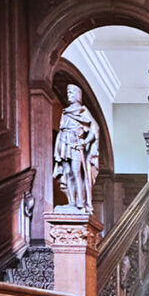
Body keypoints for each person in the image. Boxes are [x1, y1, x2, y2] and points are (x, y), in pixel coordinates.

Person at [54, 84, 100, 212]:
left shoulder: (83, 111)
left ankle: (81, 202)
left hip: (75, 143)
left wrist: (85, 141)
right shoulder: (65, 112)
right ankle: (72, 202)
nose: (69, 94)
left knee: (76, 171)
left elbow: (95, 128)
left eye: (71, 92)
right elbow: (62, 129)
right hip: (64, 142)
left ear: (78, 94)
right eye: (68, 92)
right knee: (67, 172)